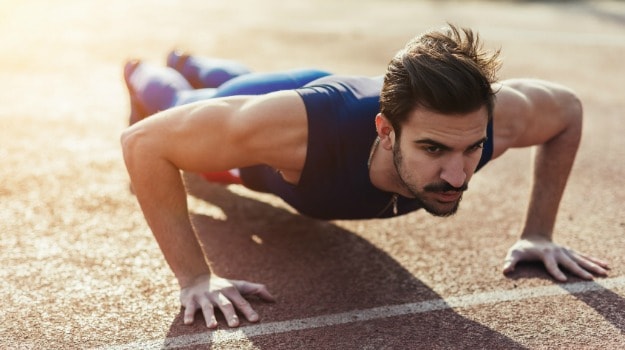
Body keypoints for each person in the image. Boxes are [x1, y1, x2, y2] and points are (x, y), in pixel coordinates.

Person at [120, 24, 610, 329]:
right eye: (433, 149)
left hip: (307, 102)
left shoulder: (497, 119)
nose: (459, 175)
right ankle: (143, 71)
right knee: (186, 112)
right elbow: (142, 143)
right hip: (292, 115)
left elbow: (566, 108)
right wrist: (195, 279)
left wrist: (539, 233)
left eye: (472, 147)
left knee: (234, 85)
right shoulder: (303, 133)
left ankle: (191, 60)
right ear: (386, 131)